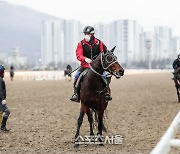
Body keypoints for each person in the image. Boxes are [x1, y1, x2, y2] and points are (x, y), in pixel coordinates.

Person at [70, 26, 112, 102]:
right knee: (76, 76)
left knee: (104, 75)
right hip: (85, 66)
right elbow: (78, 55)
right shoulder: (81, 44)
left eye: (88, 34)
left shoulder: (100, 43)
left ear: (92, 34)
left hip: (97, 67)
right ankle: (75, 94)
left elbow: (104, 52)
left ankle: (106, 93)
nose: (86, 35)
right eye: (85, 33)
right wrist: (85, 59)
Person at [0, 65, 10, 131]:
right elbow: (0, 90)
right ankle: (3, 126)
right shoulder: (0, 80)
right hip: (0, 100)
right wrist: (3, 99)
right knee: (7, 111)